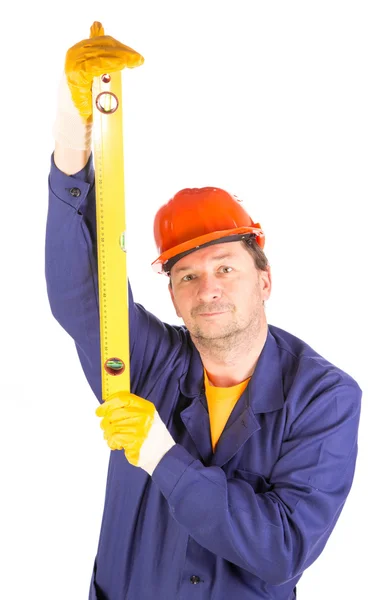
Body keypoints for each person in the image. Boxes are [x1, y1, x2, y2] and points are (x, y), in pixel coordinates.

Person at [45, 22, 362, 600]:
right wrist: (73, 136)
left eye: (225, 268)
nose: (206, 288)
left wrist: (163, 456)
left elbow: (282, 547)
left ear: (264, 280)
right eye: (186, 275)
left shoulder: (325, 397)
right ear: (172, 294)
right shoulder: (150, 362)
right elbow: (78, 296)